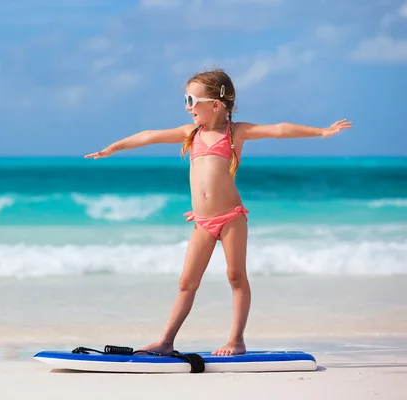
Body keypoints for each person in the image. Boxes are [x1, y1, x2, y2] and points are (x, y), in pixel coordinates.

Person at [84, 68, 352, 356]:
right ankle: (165, 341)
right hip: (202, 222)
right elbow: (149, 136)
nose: (187, 108)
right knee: (186, 282)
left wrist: (322, 131)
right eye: (185, 101)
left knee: (236, 277)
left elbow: (280, 129)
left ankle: (236, 340)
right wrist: (113, 148)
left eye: (191, 100)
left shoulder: (236, 132)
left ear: (215, 104)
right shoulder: (192, 133)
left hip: (231, 218)